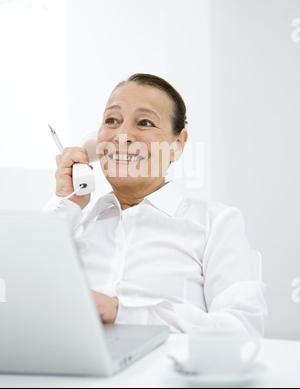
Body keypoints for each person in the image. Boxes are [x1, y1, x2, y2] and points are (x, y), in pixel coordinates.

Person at [44, 74, 267, 336]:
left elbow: (244, 327)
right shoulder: (72, 221)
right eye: (112, 121)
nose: (122, 136)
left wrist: (123, 313)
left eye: (145, 122)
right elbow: (23, 299)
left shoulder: (214, 224)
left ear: (177, 145)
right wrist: (66, 201)